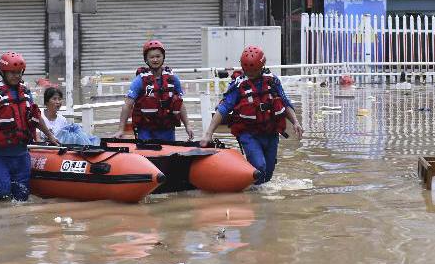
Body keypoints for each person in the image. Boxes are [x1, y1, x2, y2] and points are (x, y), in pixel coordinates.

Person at [200, 45, 302, 185]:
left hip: (271, 133)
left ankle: (258, 197)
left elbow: (284, 102)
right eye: (247, 71)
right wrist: (209, 133)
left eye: (254, 71)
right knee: (260, 166)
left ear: (262, 66)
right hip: (249, 134)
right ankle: (254, 197)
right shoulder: (238, 85)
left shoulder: (272, 81)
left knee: (268, 174)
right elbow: (223, 109)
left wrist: (295, 122)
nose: (251, 74)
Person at [0, 52, 58, 201]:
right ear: (3, 72)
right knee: (2, 196)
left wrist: (51, 136)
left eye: (19, 73)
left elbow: (36, 117)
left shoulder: (26, 93)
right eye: (12, 73)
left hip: (21, 156)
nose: (16, 76)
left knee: (22, 198)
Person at [116, 39, 195, 142]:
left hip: (167, 129)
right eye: (151, 57)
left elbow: (180, 104)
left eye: (158, 56)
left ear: (163, 58)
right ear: (146, 60)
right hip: (145, 130)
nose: (155, 60)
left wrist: (187, 126)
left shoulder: (173, 79)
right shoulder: (139, 80)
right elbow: (127, 105)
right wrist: (121, 130)